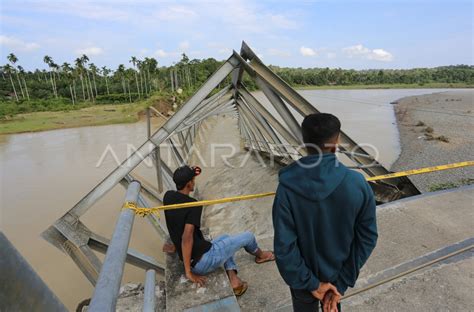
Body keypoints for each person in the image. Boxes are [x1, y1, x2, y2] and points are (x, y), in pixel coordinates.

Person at [272, 113, 378, 312]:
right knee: (333, 307)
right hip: (338, 275)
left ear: (304, 141)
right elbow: (368, 237)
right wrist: (341, 282)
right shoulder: (357, 184)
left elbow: (284, 247)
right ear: (337, 140)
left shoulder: (287, 188)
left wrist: (312, 283)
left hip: (303, 283)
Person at [163, 165, 275, 296]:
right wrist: (188, 272)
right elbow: (187, 237)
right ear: (189, 184)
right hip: (203, 261)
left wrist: (176, 247)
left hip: (196, 257)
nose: (194, 182)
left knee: (226, 238)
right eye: (193, 179)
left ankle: (234, 281)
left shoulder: (168, 197)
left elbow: (174, 223)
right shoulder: (193, 205)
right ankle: (261, 256)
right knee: (248, 236)